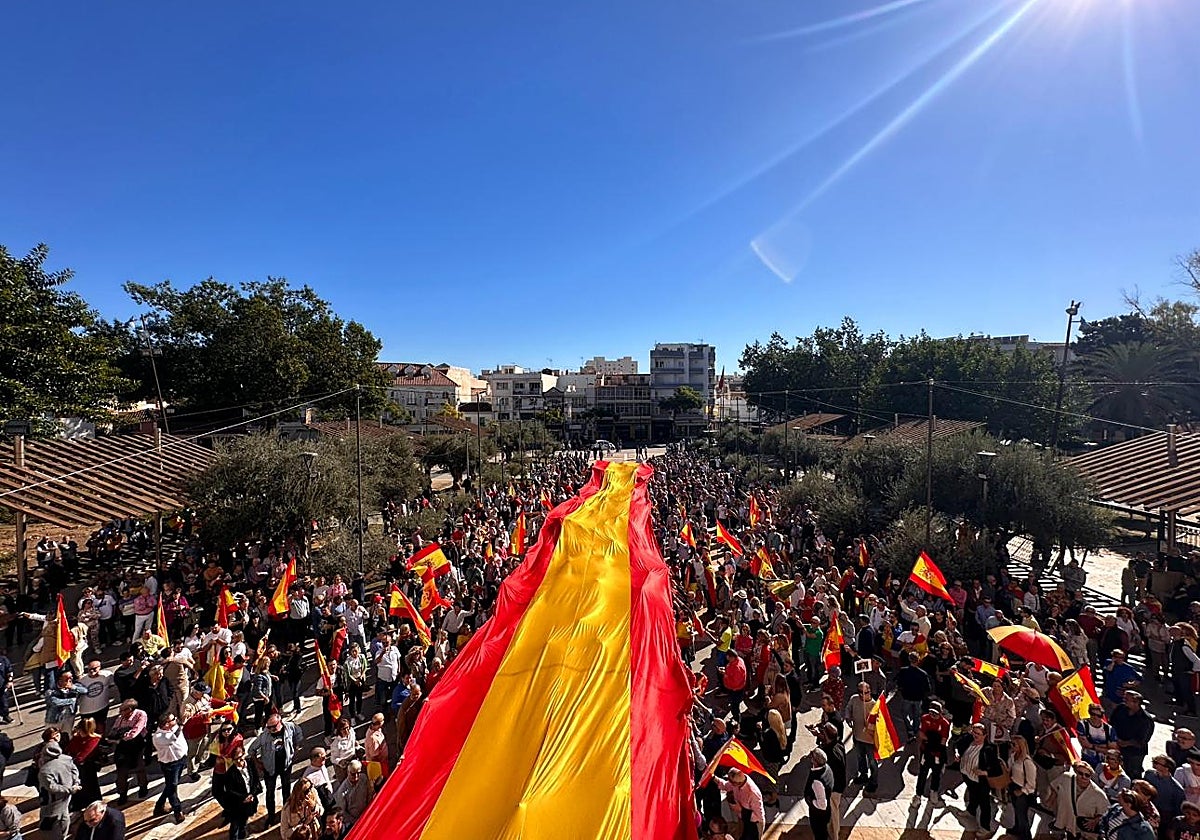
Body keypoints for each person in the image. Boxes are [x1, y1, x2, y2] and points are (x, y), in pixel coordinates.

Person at [251, 712, 304, 827]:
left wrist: (296, 748)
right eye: (269, 727)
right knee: (270, 793)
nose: (271, 729)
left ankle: (286, 814)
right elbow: (251, 750)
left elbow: (298, 733)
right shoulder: (264, 736)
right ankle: (271, 817)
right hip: (270, 768)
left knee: (286, 791)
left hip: (286, 765)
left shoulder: (290, 727)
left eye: (274, 726)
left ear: (280, 722)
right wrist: (257, 762)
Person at [1049, 761, 1109, 839]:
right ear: (1076, 772)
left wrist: (1095, 821)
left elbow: (1105, 814)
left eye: (1087, 775)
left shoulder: (1098, 794)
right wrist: (1050, 802)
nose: (1083, 777)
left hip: (1084, 831)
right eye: (1080, 773)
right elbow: (1054, 787)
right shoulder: (1065, 778)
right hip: (1065, 822)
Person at [957, 723, 996, 835]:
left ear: (984, 736)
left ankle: (985, 827)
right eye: (974, 732)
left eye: (978, 734)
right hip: (968, 775)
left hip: (981, 781)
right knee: (973, 795)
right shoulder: (968, 739)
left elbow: (996, 770)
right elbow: (958, 745)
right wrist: (957, 754)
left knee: (984, 803)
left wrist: (984, 772)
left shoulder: (989, 749)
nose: (975, 735)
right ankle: (971, 811)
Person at [38, 740, 81, 840]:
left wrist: (69, 789)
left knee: (51, 819)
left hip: (53, 798)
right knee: (64, 813)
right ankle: (64, 834)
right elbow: (75, 771)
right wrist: (75, 784)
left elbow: (52, 787)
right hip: (68, 794)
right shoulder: (67, 759)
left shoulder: (45, 770)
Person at [150, 712, 188, 823]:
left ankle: (159, 805)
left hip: (181, 760)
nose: (175, 720)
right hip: (170, 765)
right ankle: (177, 811)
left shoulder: (174, 727)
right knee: (172, 787)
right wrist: (182, 724)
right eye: (172, 719)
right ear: (166, 724)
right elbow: (173, 738)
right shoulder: (158, 737)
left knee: (170, 785)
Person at [914, 701, 951, 804]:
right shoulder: (925, 718)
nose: (932, 715)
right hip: (925, 751)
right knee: (922, 773)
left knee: (936, 773)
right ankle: (918, 795)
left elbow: (943, 741)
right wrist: (932, 740)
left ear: (940, 712)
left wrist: (929, 739)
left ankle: (933, 792)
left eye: (935, 713)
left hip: (938, 752)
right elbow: (921, 734)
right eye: (931, 712)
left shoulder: (945, 723)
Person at [1112, 691, 1155, 778]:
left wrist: (1126, 743)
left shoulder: (1146, 719)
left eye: (1127, 699)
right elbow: (1112, 723)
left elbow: (1143, 740)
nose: (1124, 700)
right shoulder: (1120, 708)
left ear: (1136, 702)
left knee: (1132, 774)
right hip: (1116, 746)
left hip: (1134, 753)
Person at [845, 681, 879, 792]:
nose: (861, 695)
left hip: (870, 740)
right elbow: (848, 709)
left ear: (869, 691)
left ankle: (873, 782)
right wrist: (848, 717)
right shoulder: (854, 699)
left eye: (864, 692)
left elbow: (879, 724)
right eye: (859, 692)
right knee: (860, 758)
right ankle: (863, 775)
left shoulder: (875, 705)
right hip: (857, 736)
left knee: (872, 762)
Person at [714, 769, 766, 840]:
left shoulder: (753, 794)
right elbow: (725, 785)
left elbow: (758, 816)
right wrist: (713, 778)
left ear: (737, 783)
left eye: (731, 781)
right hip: (743, 819)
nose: (729, 782)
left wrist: (742, 811)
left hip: (754, 824)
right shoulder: (736, 782)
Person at [223, 745, 258, 840]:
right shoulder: (230, 772)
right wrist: (243, 798)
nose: (238, 761)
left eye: (240, 758)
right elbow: (230, 790)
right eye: (235, 759)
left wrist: (252, 794)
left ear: (244, 754)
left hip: (249, 801)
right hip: (237, 804)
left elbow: (255, 780)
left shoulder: (250, 763)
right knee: (235, 827)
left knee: (244, 823)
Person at [1009, 735, 1038, 840]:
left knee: (1022, 815)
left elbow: (1031, 782)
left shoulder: (1027, 762)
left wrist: (1022, 791)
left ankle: (1025, 836)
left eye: (1014, 744)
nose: (1011, 746)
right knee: (1016, 811)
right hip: (1014, 786)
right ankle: (1016, 829)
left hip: (1023, 791)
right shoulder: (1013, 756)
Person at [1145, 755, 1185, 828]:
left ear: (1167, 768)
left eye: (1156, 762)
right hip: (1147, 810)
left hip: (1165, 817)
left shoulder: (1176, 788)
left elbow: (1178, 811)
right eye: (1153, 761)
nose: (1153, 763)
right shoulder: (1149, 775)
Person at [333, 760, 374, 831]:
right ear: (348, 772)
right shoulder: (342, 791)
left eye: (358, 773)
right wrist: (357, 822)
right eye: (353, 774)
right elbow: (342, 813)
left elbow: (369, 794)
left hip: (367, 814)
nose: (356, 777)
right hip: (354, 822)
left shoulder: (363, 778)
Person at [805, 748, 834, 840]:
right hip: (826, 812)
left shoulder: (817, 781)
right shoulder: (827, 768)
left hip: (818, 814)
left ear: (815, 761)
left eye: (812, 756)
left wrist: (811, 801)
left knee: (819, 834)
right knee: (823, 833)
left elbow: (822, 805)